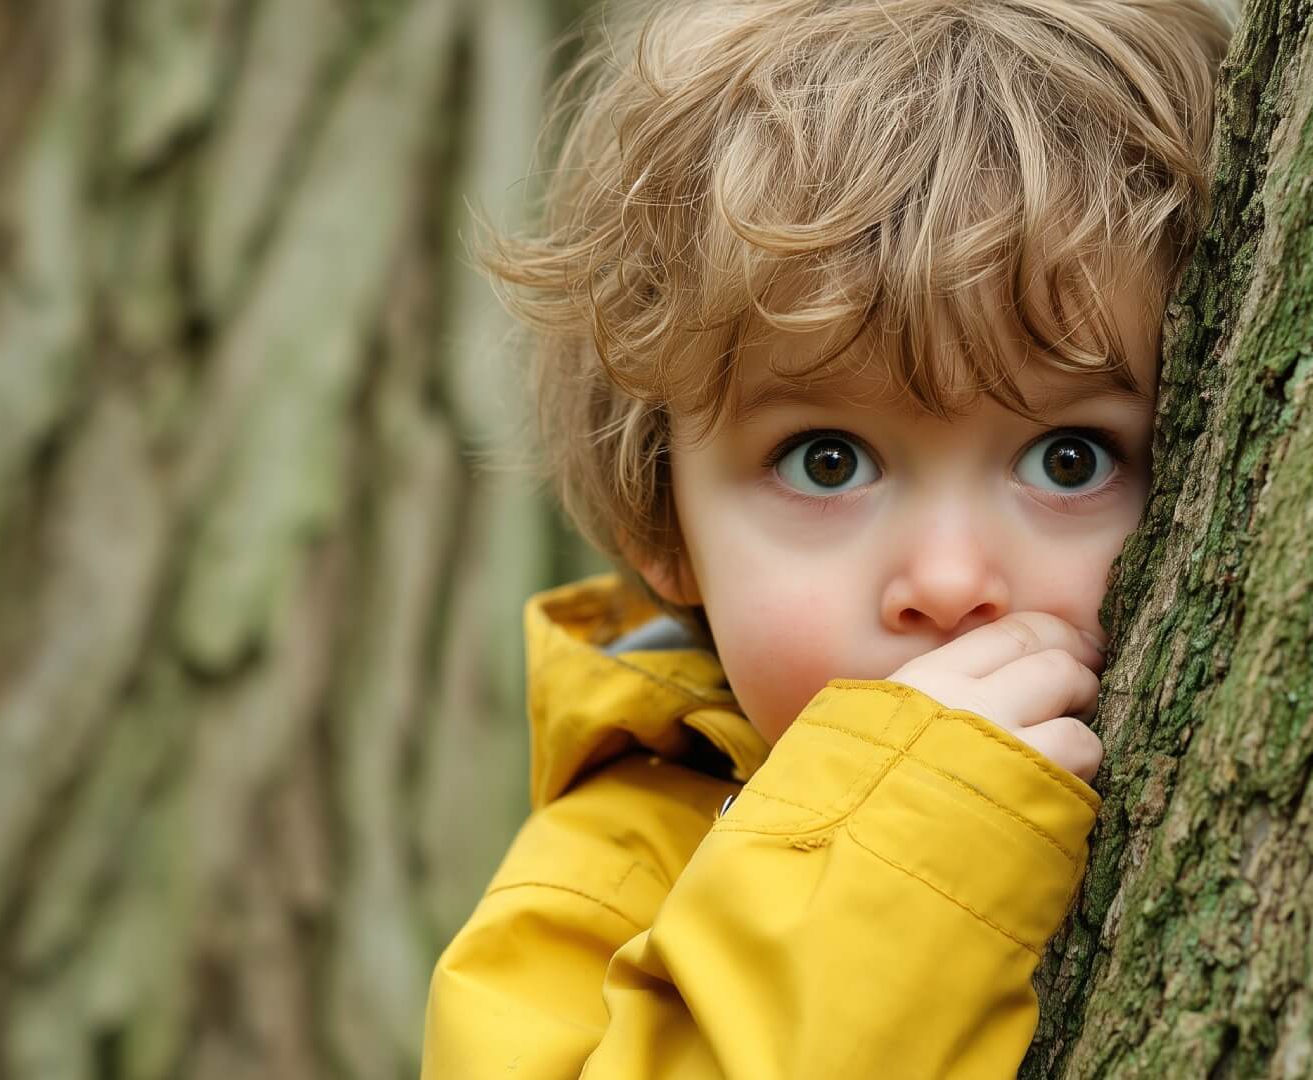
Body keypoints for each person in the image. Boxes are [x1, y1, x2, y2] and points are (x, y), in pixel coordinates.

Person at [422, 0, 1231, 1075]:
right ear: (662, 520)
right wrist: (896, 867)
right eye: (828, 461)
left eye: (1069, 459)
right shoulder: (603, 891)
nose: (948, 582)